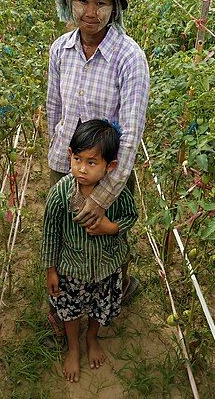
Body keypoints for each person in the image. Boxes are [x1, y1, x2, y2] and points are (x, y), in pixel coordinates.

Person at [47, 0, 149, 303]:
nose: (91, 11)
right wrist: (58, 154)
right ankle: (66, 297)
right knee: (64, 230)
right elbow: (54, 108)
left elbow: (131, 132)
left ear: (114, 8)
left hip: (108, 169)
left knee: (109, 235)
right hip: (66, 161)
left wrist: (106, 193)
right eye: (82, 0)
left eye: (101, 2)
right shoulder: (60, 49)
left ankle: (114, 293)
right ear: (68, 2)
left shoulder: (129, 57)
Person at [41, 119, 138, 383]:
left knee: (100, 307)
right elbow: (50, 234)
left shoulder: (116, 195)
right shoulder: (60, 194)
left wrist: (112, 227)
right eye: (78, 160)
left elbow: (132, 216)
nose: (82, 169)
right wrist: (51, 270)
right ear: (69, 156)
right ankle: (74, 346)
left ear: (111, 166)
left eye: (92, 162)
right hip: (71, 269)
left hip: (107, 267)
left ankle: (91, 337)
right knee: (70, 309)